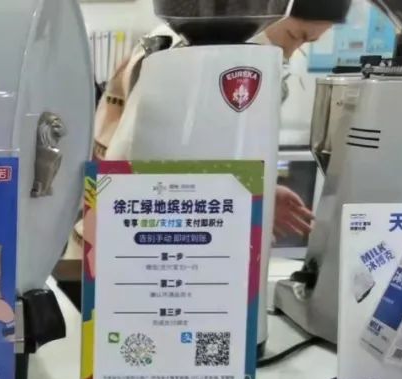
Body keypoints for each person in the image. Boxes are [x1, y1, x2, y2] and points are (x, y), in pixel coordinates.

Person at [93, 0, 352, 239]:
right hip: (139, 224)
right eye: (294, 36)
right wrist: (243, 197)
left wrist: (260, 191)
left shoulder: (238, 57)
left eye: (305, 44)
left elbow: (213, 147)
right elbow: (143, 156)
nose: (291, 53)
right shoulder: (187, 50)